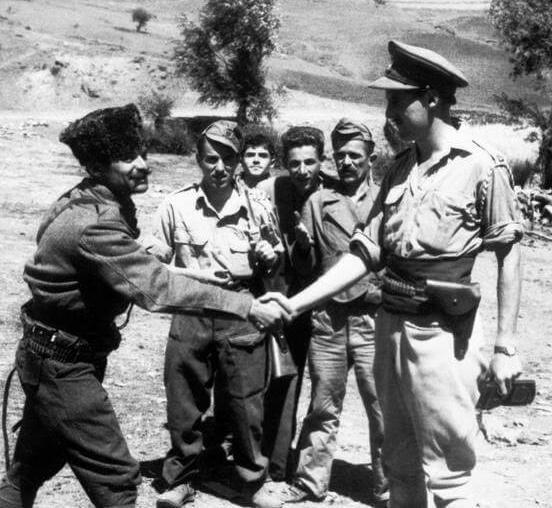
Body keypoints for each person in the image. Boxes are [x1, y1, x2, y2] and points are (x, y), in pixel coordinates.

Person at [262, 41, 524, 508]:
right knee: (399, 464)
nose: (390, 113)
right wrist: (295, 304)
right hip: (390, 326)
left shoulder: (481, 164)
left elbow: (509, 254)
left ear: (433, 99)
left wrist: (504, 347)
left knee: (449, 474)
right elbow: (365, 252)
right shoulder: (402, 166)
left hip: (444, 332)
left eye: (397, 101)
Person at [0, 105, 289, 508]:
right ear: (100, 165)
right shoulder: (96, 221)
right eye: (127, 157)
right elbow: (156, 289)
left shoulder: (87, 198)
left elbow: (130, 262)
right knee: (117, 481)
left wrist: (201, 277)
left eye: (142, 153)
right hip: (62, 365)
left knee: (30, 468)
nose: (142, 165)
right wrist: (245, 306)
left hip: (54, 351)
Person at [144, 121, 285, 508]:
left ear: (239, 160)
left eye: (227, 158)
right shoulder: (177, 203)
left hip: (241, 311)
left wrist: (270, 256)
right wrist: (192, 273)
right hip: (191, 308)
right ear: (198, 160)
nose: (218, 167)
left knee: (245, 402)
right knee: (184, 399)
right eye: (210, 158)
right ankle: (182, 479)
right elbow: (153, 261)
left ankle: (252, 481)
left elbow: (275, 259)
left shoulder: (258, 205)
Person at [264, 119, 389, 506]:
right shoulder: (318, 202)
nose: (347, 163)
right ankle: (308, 483)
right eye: (341, 156)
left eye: (355, 156)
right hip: (329, 319)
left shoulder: (389, 197)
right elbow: (306, 268)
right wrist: (301, 246)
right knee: (323, 404)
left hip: (375, 318)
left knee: (381, 407)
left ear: (371, 158)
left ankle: (389, 489)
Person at [260, 126, 324, 481]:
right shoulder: (272, 191)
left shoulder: (332, 191)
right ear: (284, 163)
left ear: (321, 161)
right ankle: (276, 465)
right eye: (295, 163)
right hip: (286, 298)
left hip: (327, 300)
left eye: (310, 162)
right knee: (284, 380)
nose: (302, 171)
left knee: (327, 388)